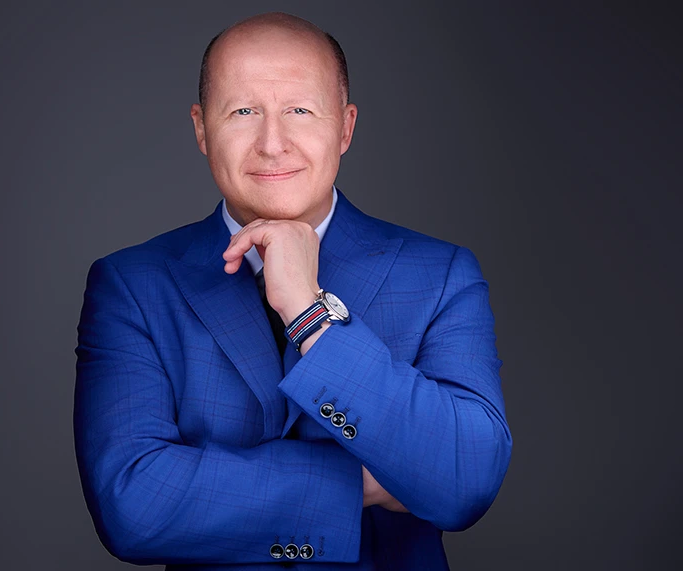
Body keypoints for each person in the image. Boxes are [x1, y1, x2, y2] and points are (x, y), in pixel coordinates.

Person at [74, 11, 511, 570]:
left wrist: (310, 314)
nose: (272, 144)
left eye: (300, 110)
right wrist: (361, 482)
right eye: (242, 112)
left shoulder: (440, 274)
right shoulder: (132, 285)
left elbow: (466, 480)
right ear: (202, 128)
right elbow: (133, 506)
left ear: (346, 127)